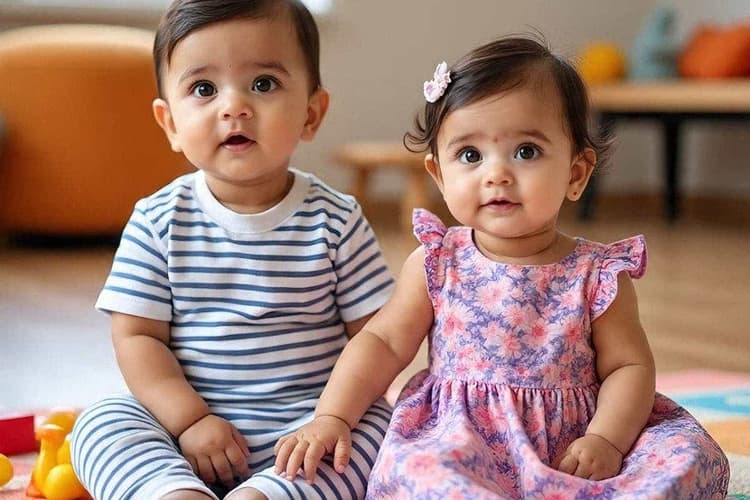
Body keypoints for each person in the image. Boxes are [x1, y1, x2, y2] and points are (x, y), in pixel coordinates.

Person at [273, 36, 730, 498]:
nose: (497, 174)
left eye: (526, 151)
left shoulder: (598, 275)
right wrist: (333, 416)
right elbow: (384, 342)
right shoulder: (438, 262)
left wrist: (606, 439)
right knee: (423, 476)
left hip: (577, 440)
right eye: (470, 156)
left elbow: (628, 367)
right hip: (463, 437)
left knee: (687, 454)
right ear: (439, 175)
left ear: (576, 174)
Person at [69, 1, 395, 499]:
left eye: (263, 84)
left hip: (308, 431)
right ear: (170, 123)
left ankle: (265, 494)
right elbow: (137, 337)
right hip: (187, 433)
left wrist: (332, 418)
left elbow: (374, 337)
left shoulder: (336, 219)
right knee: (100, 422)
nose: (234, 107)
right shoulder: (158, 220)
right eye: (204, 89)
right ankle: (172, 491)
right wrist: (189, 420)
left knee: (385, 425)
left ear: (311, 113)